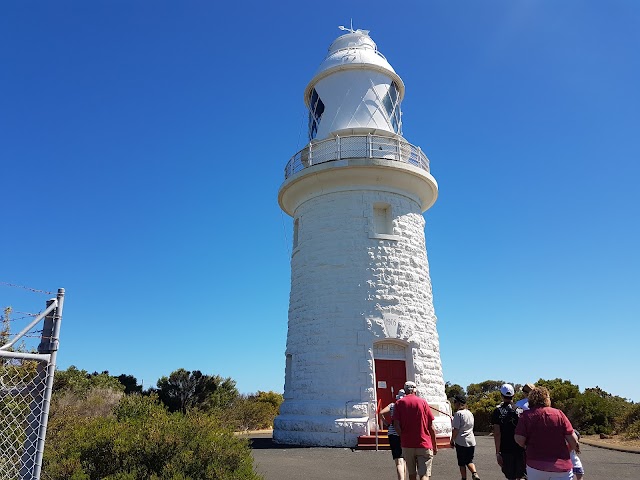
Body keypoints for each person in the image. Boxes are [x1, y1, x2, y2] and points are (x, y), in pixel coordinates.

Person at [514, 386, 579, 480]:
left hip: (535, 465)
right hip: (561, 466)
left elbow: (519, 439)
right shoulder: (559, 414)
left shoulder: (526, 416)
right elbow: (573, 440)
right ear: (547, 399)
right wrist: (567, 450)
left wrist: (527, 446)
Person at [393, 381, 438, 480]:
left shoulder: (399, 403)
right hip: (424, 443)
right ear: (415, 390)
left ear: (404, 391)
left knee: (412, 474)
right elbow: (431, 426)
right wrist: (434, 445)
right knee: (425, 475)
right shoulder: (423, 402)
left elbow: (396, 425)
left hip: (407, 444)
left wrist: (403, 436)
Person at [491, 383, 526, 480]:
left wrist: (497, 452)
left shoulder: (498, 411)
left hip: (506, 449)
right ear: (513, 395)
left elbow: (497, 433)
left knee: (510, 476)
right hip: (520, 448)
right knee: (520, 475)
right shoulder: (520, 411)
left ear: (501, 395)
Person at [450, 394, 480, 480]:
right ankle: (474, 473)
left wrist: (452, 440)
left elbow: (456, 429)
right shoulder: (470, 413)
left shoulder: (458, 414)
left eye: (455, 402)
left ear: (458, 403)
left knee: (461, 462)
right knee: (469, 460)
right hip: (471, 440)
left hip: (461, 441)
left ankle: (464, 478)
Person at [380, 389, 406, 480]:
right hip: (404, 434)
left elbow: (381, 413)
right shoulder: (407, 406)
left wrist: (386, 423)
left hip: (393, 434)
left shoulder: (392, 405)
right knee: (405, 459)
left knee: (399, 461)